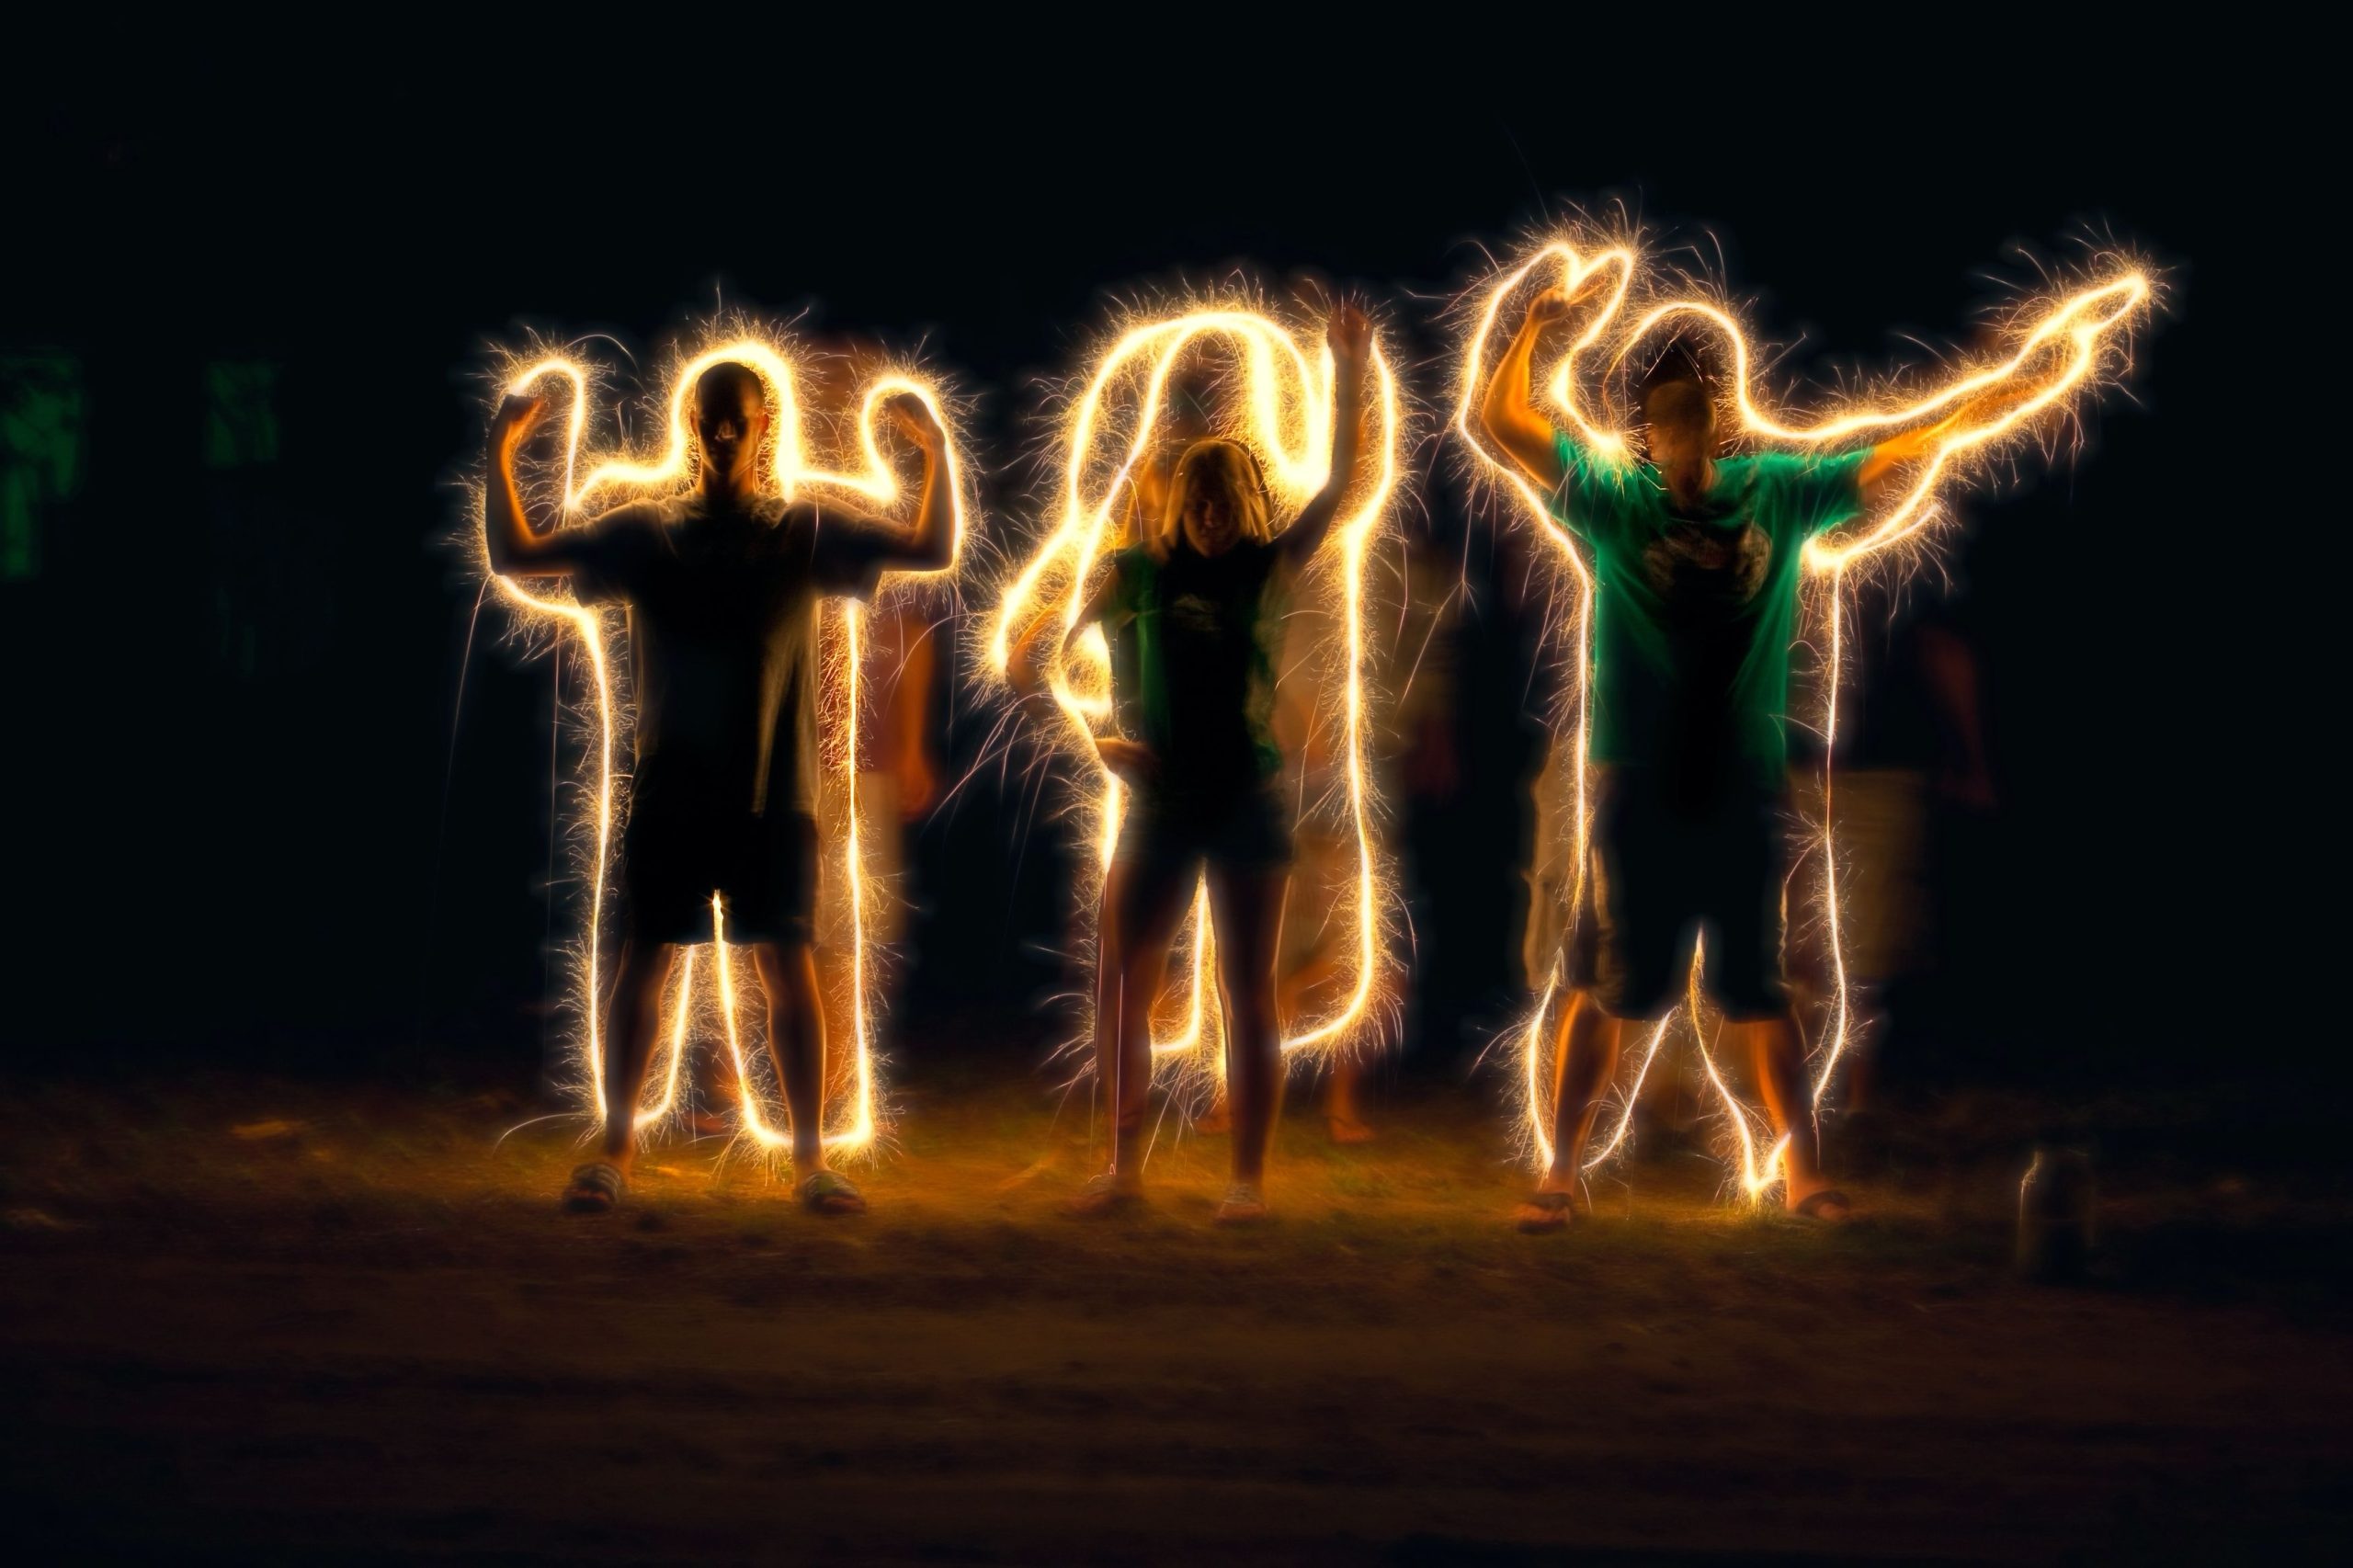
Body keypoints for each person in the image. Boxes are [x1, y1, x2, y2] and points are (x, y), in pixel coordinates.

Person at [1479, 278, 2034, 1231]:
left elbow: (1917, 439)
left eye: (1688, 395)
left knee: (1751, 988)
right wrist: (1532, 325)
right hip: (1642, 784)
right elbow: (1499, 424)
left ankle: (1799, 1172)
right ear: (1649, 419)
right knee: (1615, 986)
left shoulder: (1773, 488)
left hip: (1736, 784)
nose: (1677, 415)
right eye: (1666, 397)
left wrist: (2019, 376)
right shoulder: (1618, 494)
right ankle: (1562, 1169)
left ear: (1714, 411)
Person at [484, 360, 955, 1215]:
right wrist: (502, 447)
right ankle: (616, 1150)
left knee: (788, 972)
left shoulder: (803, 532)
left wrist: (933, 449)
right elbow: (517, 556)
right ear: (686, 425)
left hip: (777, 798)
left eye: (737, 419)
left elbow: (932, 549)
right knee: (646, 968)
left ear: (765, 424)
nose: (723, 434)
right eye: (709, 419)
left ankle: (811, 1161)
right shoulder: (648, 534)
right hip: (671, 791)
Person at [1054, 302, 1374, 1222]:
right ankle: (1121, 1169)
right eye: (1197, 502)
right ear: (1175, 502)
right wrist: (1096, 736)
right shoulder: (1131, 574)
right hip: (1158, 806)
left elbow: (1343, 485)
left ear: (1247, 505)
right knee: (1124, 984)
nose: (1210, 517)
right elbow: (1037, 655)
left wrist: (1345, 371)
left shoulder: (1263, 569)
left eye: (1225, 502)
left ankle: (1246, 1181)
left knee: (1246, 994)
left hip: (1244, 801)